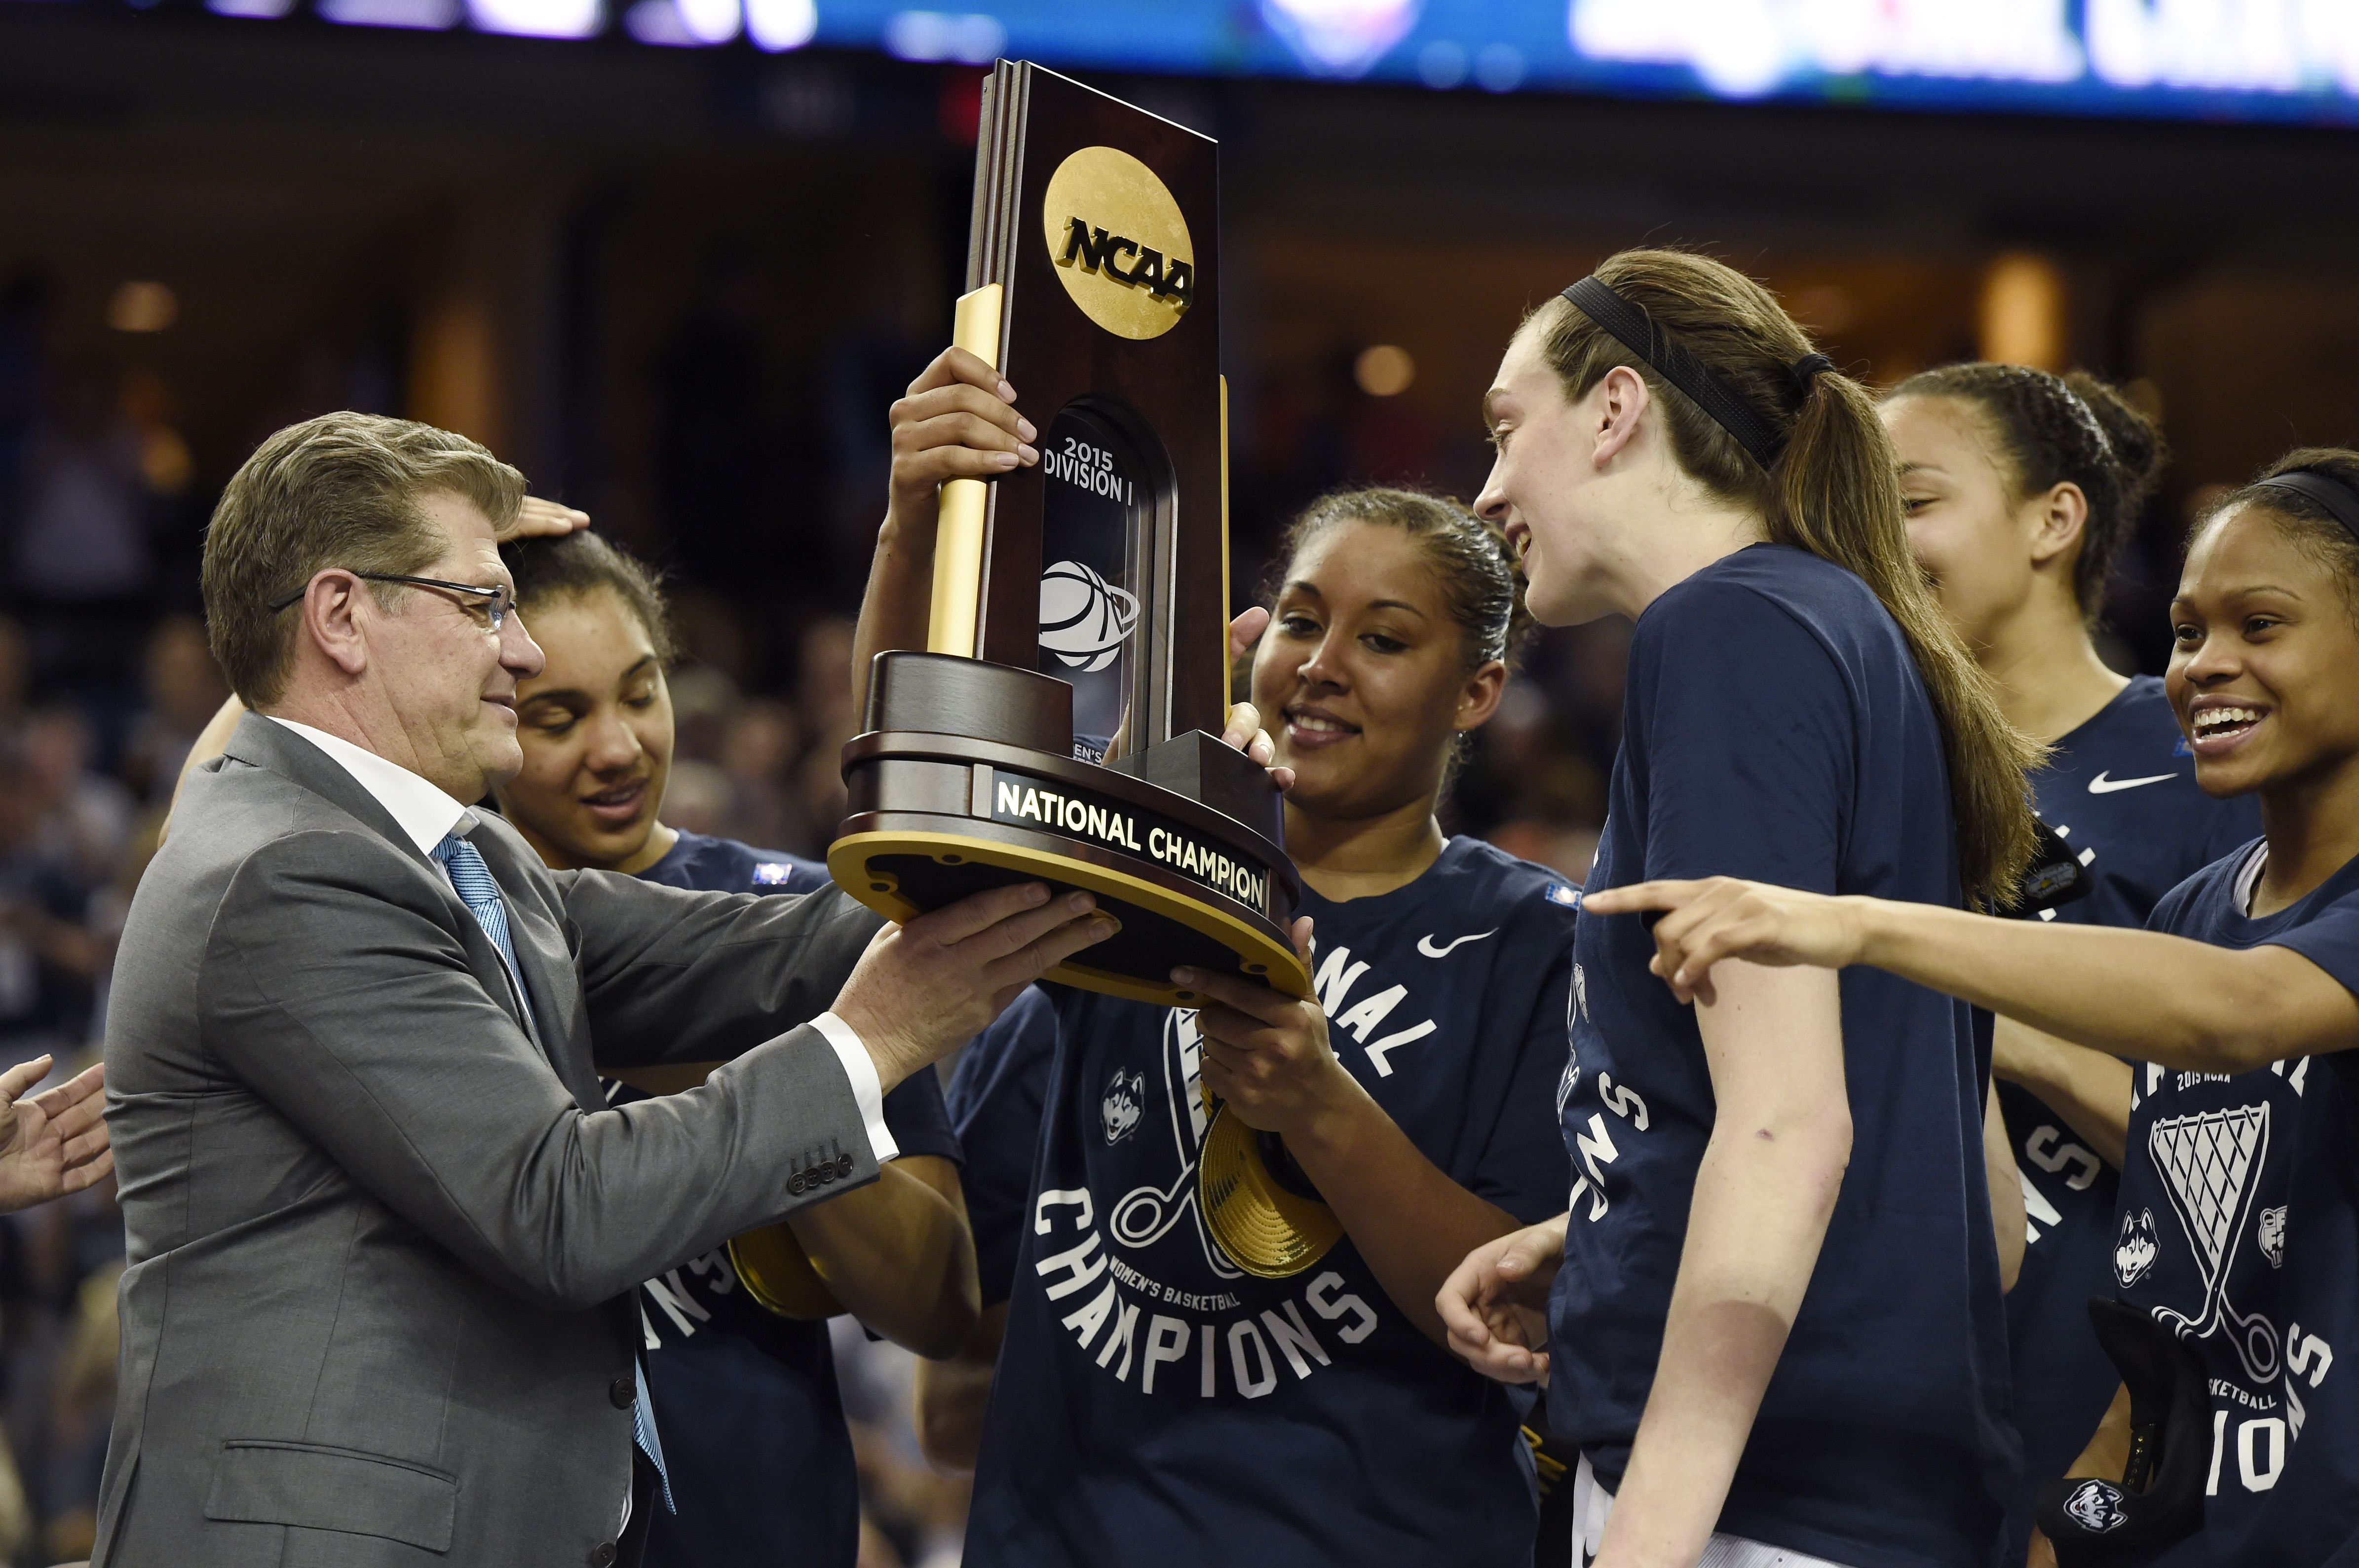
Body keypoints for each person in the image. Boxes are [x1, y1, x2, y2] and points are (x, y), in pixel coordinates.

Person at [96, 412, 1120, 1568]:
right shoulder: (292, 865)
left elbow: (751, 949)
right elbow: (557, 1204)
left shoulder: (455, 857)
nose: (521, 650)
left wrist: (1056, 840)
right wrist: (873, 1037)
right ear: (341, 616)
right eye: (483, 606)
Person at [1580, 445, 2359, 1568]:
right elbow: (2171, 1308)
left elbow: (2241, 1010)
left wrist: (1859, 924)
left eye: (2260, 624)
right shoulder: (2197, 907)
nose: (2203, 666)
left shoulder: (2235, 958)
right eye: (2187, 631)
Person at [866, 348, 1581, 1565]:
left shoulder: (1539, 942)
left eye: (1385, 639)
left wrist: (1315, 1103)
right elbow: (917, 803)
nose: (1320, 663)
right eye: (1299, 621)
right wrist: (916, 522)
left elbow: (1519, 1311)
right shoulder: (1141, 864)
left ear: (1478, 693)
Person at [1437, 250, 2036, 1568]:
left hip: (1754, 1502)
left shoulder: (1728, 633)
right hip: (1858, 1487)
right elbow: (1973, 1201)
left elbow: (1787, 1123)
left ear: (1613, 411)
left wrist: (1644, 1542)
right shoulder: (1841, 628)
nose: (1486, 492)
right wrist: (1599, 1231)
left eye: (1502, 428)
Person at [492, 526, 976, 1568]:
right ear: (482, 716)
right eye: (557, 716)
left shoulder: (804, 920)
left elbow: (936, 1298)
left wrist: (744, 1061)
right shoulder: (429, 927)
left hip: (757, 1523)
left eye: (640, 690)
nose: (617, 746)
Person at [1881, 363, 2261, 1563]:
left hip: (2112, 1408)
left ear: (2053, 519)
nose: (1874, 539)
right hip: (1879, 1403)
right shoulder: (1875, 773)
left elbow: (2255, 1158)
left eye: (1911, 500)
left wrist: (1987, 1012)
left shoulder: (2208, 754)